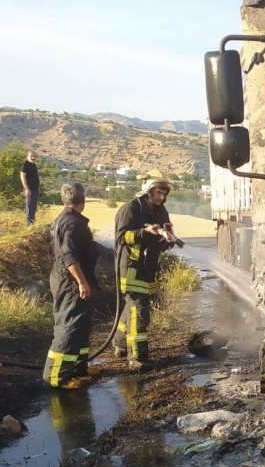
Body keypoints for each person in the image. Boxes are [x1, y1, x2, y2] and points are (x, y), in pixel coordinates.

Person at [113, 170, 176, 371]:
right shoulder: (130, 209)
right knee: (140, 313)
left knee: (130, 309)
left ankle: (119, 344)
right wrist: (143, 232)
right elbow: (121, 238)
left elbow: (165, 236)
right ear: (148, 190)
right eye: (158, 192)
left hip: (148, 269)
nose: (162, 197)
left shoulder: (161, 211)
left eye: (165, 193)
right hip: (131, 269)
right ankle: (137, 358)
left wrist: (168, 240)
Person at [43, 183, 100, 389]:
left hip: (69, 278)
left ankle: (78, 367)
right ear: (82, 201)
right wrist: (82, 282)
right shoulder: (72, 223)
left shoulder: (65, 219)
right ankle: (56, 376)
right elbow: (68, 256)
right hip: (71, 281)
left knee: (81, 324)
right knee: (70, 323)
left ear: (63, 200)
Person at [20, 149, 40, 225]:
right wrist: (27, 189)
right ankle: (28, 225)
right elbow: (22, 177)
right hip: (29, 190)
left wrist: (38, 189)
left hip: (35, 189)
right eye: (31, 156)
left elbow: (36, 178)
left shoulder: (34, 165)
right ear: (27, 156)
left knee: (33, 207)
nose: (33, 157)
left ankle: (32, 223)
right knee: (29, 207)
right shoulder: (25, 165)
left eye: (34, 156)